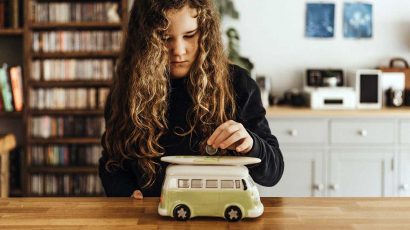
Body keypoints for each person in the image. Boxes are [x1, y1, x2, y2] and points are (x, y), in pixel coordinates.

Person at [99, 0, 284, 199]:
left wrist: (250, 144)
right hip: (149, 218)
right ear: (144, 39)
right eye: (164, 37)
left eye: (189, 35)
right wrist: (125, 192)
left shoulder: (238, 84)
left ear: (205, 32)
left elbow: (273, 173)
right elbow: (112, 163)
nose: (178, 50)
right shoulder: (127, 89)